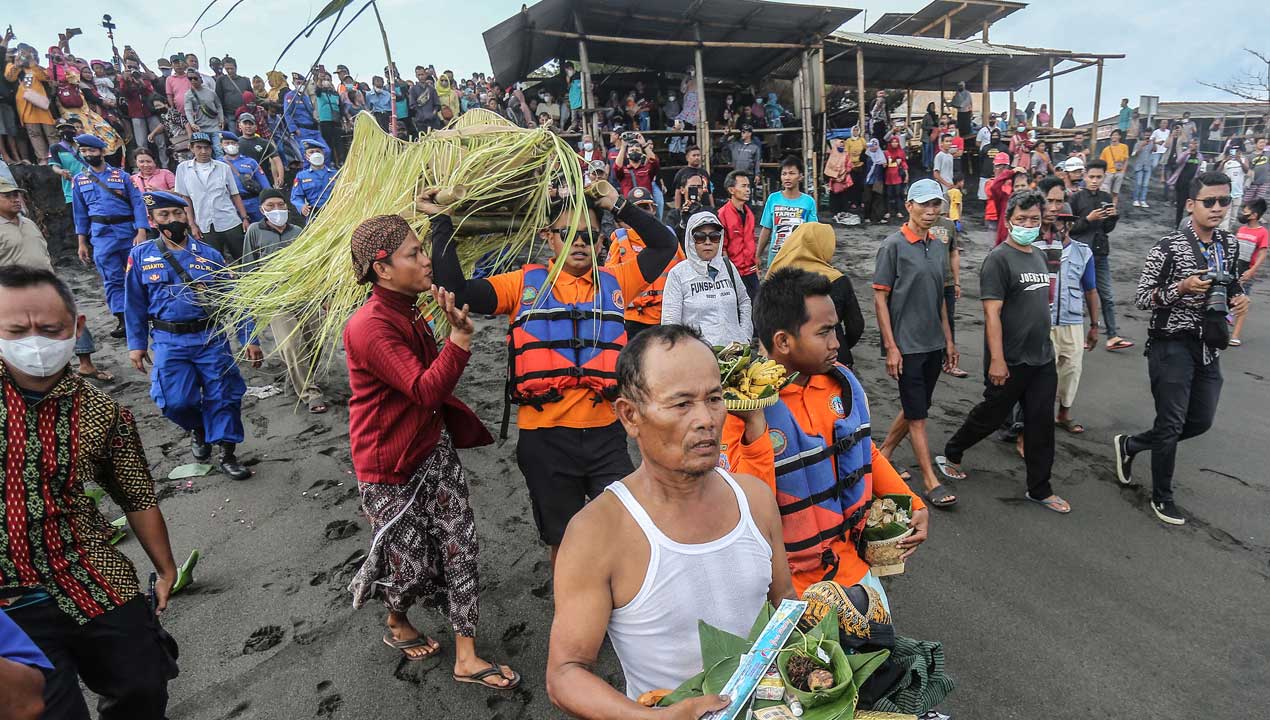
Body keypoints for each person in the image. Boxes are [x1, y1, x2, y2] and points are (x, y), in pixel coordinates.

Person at [546, 325, 795, 715]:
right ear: (630, 416)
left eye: (714, 398)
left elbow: (785, 610)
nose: (706, 419)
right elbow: (565, 673)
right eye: (681, 404)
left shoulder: (755, 499)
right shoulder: (598, 531)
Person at [431, 183, 678, 562]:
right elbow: (456, 288)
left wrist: (618, 204)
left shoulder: (617, 281)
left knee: (625, 531)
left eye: (589, 236)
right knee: (562, 541)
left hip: (606, 436)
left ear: (600, 241)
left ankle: (621, 616)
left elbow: (663, 245)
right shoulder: (520, 284)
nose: (579, 243)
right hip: (544, 440)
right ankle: (572, 613)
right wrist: (441, 221)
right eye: (567, 234)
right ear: (549, 238)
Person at [340, 214, 519, 689]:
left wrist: (450, 331)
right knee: (412, 563)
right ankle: (397, 618)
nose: (426, 261)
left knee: (460, 545)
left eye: (423, 250)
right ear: (382, 269)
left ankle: (466, 654)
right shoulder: (370, 326)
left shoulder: (411, 307)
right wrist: (459, 340)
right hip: (389, 464)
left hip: (432, 448)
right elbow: (423, 390)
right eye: (414, 254)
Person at [0, 264, 180, 719]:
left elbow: (136, 493)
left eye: (49, 328)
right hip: (7, 604)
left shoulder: (103, 411)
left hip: (86, 567)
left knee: (144, 684)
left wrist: (165, 568)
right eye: (17, 330)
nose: (34, 341)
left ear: (75, 328)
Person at [720, 267, 926, 597]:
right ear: (783, 341)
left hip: (854, 568)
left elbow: (863, 452)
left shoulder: (841, 384)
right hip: (786, 587)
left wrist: (913, 503)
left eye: (837, 330)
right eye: (824, 332)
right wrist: (755, 427)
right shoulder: (740, 408)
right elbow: (749, 510)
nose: (836, 343)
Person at [1113, 172, 1249, 525]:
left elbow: (1232, 281)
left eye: (1224, 200)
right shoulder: (1167, 247)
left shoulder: (1230, 245)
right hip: (1170, 343)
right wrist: (1181, 288)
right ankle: (1162, 497)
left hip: (1209, 344)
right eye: (1210, 201)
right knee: (1171, 423)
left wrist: (1238, 298)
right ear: (1191, 205)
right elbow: (1143, 298)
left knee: (1201, 420)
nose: (1218, 208)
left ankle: (1131, 445)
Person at [936, 191, 1069, 513]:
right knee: (991, 415)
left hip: (1041, 356)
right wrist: (996, 359)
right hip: (1009, 358)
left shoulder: (1038, 254)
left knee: (1041, 424)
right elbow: (992, 313)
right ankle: (952, 451)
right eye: (1021, 219)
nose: (1028, 224)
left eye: (1034, 220)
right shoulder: (998, 259)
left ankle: (1040, 488)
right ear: (1009, 220)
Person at [124, 191, 262, 480]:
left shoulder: (209, 255)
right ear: (152, 220)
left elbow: (234, 300)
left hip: (210, 338)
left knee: (223, 396)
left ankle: (227, 452)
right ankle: (199, 429)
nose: (173, 220)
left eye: (178, 213)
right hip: (168, 341)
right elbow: (134, 303)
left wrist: (250, 338)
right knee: (175, 402)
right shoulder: (141, 256)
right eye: (164, 215)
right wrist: (136, 345)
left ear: (187, 216)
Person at [874, 179, 960, 508]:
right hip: (906, 344)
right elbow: (880, 298)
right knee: (919, 415)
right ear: (908, 206)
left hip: (933, 341)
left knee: (916, 405)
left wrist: (949, 340)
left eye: (936, 204)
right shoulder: (893, 246)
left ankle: (883, 454)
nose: (930, 210)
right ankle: (929, 480)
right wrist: (891, 347)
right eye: (923, 204)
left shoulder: (938, 245)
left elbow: (940, 298)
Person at [1, 176, 109, 381]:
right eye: (8, 196)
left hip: (47, 283)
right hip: (14, 292)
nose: (16, 199)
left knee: (72, 318)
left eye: (17, 195)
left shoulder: (28, 222)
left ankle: (86, 365)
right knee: (30, 334)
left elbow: (42, 251)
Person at [242, 189, 328, 412]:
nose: (276, 210)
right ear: (262, 209)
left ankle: (297, 377)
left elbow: (311, 266)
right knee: (291, 344)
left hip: (303, 295)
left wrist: (323, 296)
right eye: (270, 206)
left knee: (315, 341)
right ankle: (310, 392)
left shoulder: (298, 231)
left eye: (280, 204)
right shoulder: (254, 231)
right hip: (275, 300)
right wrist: (253, 307)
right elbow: (249, 269)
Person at [1035, 177, 1100, 433]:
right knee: (1044, 374)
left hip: (1072, 321)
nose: (1061, 225)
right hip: (1043, 320)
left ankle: (1063, 414)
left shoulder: (1083, 252)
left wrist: (1094, 325)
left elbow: (1091, 289)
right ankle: (1040, 417)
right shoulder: (1035, 248)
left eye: (1066, 221)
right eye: (1058, 220)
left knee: (1072, 369)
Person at [70, 133, 149, 339]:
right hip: (101, 235)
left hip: (127, 231)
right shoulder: (79, 181)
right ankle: (123, 320)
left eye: (92, 150)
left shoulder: (121, 176)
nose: (88, 154)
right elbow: (79, 214)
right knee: (112, 278)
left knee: (138, 273)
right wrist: (82, 243)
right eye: (85, 151)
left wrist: (141, 230)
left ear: (102, 152)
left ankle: (145, 312)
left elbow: (138, 203)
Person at [768, 222, 864, 368]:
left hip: (790, 361)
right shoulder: (838, 280)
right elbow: (856, 326)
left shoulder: (778, 278)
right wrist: (841, 344)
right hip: (835, 360)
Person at [661, 210, 751, 346]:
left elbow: (744, 301)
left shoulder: (728, 266)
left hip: (735, 354)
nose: (708, 242)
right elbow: (670, 323)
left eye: (714, 237)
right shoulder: (678, 274)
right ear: (691, 240)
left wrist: (745, 336)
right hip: (698, 357)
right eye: (700, 237)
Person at [1070, 159, 1134, 351]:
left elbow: (1107, 228)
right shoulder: (1075, 199)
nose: (1095, 181)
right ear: (1084, 176)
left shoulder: (1106, 197)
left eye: (1099, 177)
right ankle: (1077, 336)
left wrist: (1113, 217)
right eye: (1091, 177)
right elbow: (1069, 228)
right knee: (1078, 296)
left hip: (1100, 252)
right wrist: (1088, 219)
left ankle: (1112, 335)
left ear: (1104, 177)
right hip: (1079, 252)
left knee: (1107, 295)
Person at [605, 187, 685, 336]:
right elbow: (610, 283)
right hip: (631, 320)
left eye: (646, 207)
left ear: (654, 209)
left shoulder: (669, 239)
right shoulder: (620, 242)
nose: (644, 213)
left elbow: (685, 276)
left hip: (664, 318)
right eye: (638, 209)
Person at [174, 132, 251, 262]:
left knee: (243, 258)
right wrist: (192, 224)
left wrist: (244, 218)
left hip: (229, 220)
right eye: (199, 147)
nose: (203, 151)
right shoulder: (183, 169)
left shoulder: (223, 167)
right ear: (191, 148)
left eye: (207, 147)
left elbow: (235, 194)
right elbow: (186, 199)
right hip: (205, 224)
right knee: (214, 261)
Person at [758, 156, 817, 270]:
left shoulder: (808, 201)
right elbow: (766, 229)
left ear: (800, 176)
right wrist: (757, 255)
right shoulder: (773, 199)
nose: (787, 177)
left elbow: (812, 232)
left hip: (799, 259)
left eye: (791, 173)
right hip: (776, 258)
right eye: (784, 174)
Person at [717, 170, 759, 301]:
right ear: (731, 190)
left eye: (748, 186)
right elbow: (722, 248)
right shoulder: (722, 214)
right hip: (734, 272)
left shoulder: (749, 214)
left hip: (751, 271)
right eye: (743, 186)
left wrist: (756, 266)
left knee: (758, 308)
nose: (748, 190)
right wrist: (728, 274)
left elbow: (752, 242)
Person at [1231, 197, 1267, 346]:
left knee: (1242, 301)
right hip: (1234, 269)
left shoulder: (1262, 232)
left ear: (1254, 215)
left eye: (1245, 211)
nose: (1242, 213)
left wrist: (1252, 271)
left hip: (1246, 272)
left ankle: (1235, 335)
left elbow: (1262, 254)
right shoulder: (1241, 229)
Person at [219, 131, 270, 222]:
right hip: (232, 205)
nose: (230, 145)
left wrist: (269, 201)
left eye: (233, 143)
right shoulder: (218, 164)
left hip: (254, 202)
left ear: (238, 145)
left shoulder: (250, 161)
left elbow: (264, 184)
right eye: (227, 143)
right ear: (221, 145)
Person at [291, 139, 338, 219]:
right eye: (311, 152)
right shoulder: (301, 176)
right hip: (314, 215)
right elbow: (296, 196)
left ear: (323, 154)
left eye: (318, 151)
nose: (315, 154)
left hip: (335, 213)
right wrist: (301, 207)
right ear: (306, 156)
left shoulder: (335, 174)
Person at [182, 68, 225, 159]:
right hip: (200, 128)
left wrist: (221, 119)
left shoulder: (211, 92)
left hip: (214, 126)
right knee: (203, 152)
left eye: (195, 78)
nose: (193, 80)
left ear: (200, 78)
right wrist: (192, 123)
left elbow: (219, 106)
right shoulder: (188, 95)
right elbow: (188, 110)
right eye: (190, 79)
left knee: (218, 150)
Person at [236, 114, 284, 188]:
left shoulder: (265, 143)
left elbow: (277, 160)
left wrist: (280, 177)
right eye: (245, 123)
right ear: (240, 125)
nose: (248, 126)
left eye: (251, 124)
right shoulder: (236, 143)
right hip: (243, 181)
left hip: (264, 180)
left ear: (256, 127)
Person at [1099, 129, 1130, 208]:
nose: (1114, 137)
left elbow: (1126, 159)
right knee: (1106, 192)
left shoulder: (1124, 147)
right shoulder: (1106, 149)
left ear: (1119, 136)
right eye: (1113, 135)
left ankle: (1113, 208)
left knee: (1115, 192)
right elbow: (1102, 161)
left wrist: (1123, 171)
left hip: (1119, 172)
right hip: (1108, 172)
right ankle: (1106, 207)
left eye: (1116, 135)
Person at [214, 57, 251, 123]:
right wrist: (222, 116)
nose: (230, 71)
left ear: (236, 67)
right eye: (227, 69)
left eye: (231, 68)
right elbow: (218, 99)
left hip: (245, 113)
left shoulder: (245, 80)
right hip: (230, 114)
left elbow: (251, 96)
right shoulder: (221, 80)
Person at [883, 136, 909, 222]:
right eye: (893, 142)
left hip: (897, 176)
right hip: (888, 177)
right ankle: (888, 211)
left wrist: (906, 174)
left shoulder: (901, 152)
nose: (894, 144)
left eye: (896, 142)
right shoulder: (886, 153)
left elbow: (904, 163)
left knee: (899, 194)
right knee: (888, 195)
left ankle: (899, 211)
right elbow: (883, 163)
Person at [1130, 130, 1155, 208]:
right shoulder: (1138, 143)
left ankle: (1143, 200)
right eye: (1146, 135)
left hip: (1148, 166)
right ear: (1143, 135)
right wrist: (1141, 146)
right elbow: (1134, 154)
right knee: (1138, 183)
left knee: (1145, 185)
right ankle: (1136, 199)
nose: (1147, 137)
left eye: (1148, 135)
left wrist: (1153, 142)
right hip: (1139, 166)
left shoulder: (1151, 143)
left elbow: (1155, 150)